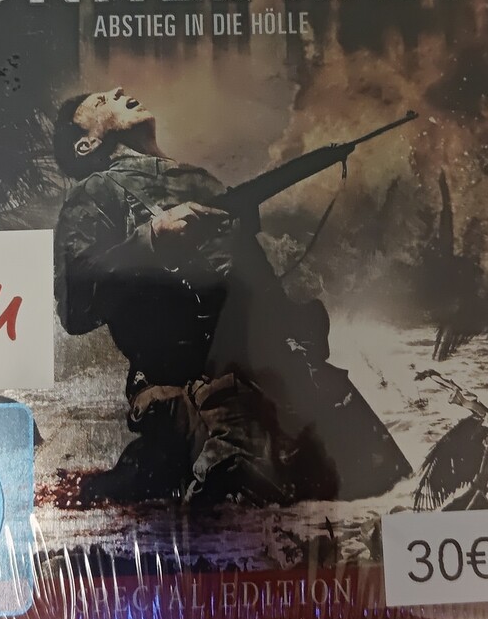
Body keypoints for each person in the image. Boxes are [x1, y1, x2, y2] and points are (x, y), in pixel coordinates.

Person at [52, 87, 411, 507]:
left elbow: (258, 282)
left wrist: (299, 333)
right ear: (87, 144)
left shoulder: (200, 181)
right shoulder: (93, 194)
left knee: (386, 486)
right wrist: (153, 239)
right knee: (232, 502)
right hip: (193, 387)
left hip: (281, 375)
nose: (117, 91)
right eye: (100, 102)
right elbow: (75, 307)